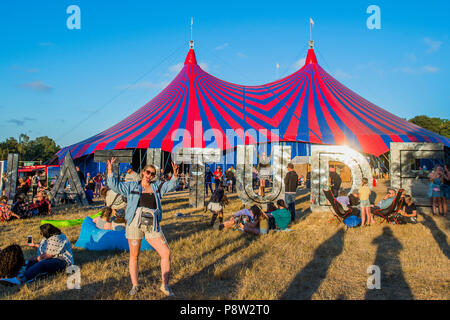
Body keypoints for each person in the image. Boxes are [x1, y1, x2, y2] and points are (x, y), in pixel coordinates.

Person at [106, 158, 179, 297]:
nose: (149, 175)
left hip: (152, 223)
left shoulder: (157, 186)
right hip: (134, 223)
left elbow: (171, 185)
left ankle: (165, 285)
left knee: (166, 252)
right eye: (147, 172)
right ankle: (135, 285)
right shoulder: (132, 186)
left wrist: (175, 175)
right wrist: (110, 170)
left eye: (152, 174)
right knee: (134, 255)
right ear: (143, 172)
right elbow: (115, 186)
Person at [0, 224, 74, 286]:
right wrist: (34, 245)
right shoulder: (49, 238)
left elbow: (47, 255)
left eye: (42, 233)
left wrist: (34, 258)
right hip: (52, 259)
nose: (41, 234)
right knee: (31, 264)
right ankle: (14, 276)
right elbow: (47, 249)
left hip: (62, 261)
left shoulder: (58, 238)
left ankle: (21, 279)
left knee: (41, 264)